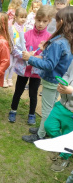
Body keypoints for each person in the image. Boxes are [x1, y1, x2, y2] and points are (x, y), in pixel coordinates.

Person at [21, 6, 73, 142]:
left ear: (61, 21)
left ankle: (41, 135)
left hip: (52, 80)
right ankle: (42, 129)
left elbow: (49, 65)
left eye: (55, 20)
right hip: (60, 79)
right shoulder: (67, 39)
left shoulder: (59, 42)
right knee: (50, 107)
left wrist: (30, 59)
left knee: (47, 110)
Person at [8, 5, 54, 124]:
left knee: (33, 94)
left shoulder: (49, 38)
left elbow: (49, 56)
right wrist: (23, 54)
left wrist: (41, 55)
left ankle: (32, 114)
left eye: (44, 21)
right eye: (39, 20)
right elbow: (15, 49)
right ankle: (13, 110)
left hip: (36, 72)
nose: (41, 24)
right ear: (35, 19)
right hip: (24, 69)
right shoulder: (26, 34)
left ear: (49, 21)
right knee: (18, 90)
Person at [43, 61, 73, 172]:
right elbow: (67, 73)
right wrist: (63, 83)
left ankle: (64, 158)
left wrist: (71, 90)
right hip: (62, 104)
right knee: (49, 125)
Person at [4, 8, 27, 88]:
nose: (23, 19)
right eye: (21, 17)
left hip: (18, 50)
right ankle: (4, 79)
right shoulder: (12, 28)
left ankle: (9, 79)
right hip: (11, 49)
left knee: (14, 65)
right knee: (9, 64)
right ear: (15, 17)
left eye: (24, 17)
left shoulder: (24, 28)